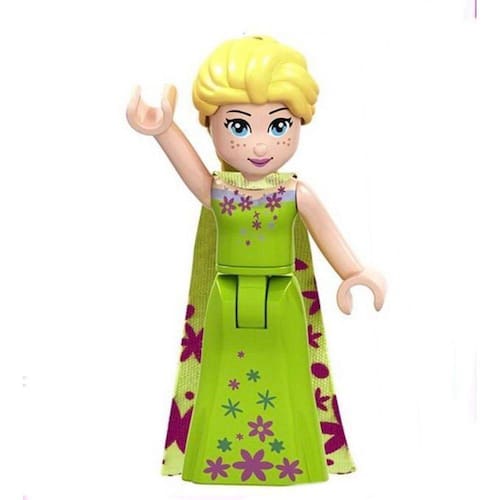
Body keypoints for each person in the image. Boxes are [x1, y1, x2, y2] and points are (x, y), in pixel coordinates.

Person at [127, 35, 385, 485]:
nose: (261, 145)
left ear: (299, 122)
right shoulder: (219, 192)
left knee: (290, 377)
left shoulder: (295, 194)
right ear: (211, 126)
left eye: (280, 125)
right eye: (240, 127)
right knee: (217, 375)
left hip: (283, 297)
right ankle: (215, 459)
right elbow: (192, 172)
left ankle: (295, 458)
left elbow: (326, 233)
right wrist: (163, 129)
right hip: (224, 299)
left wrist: (354, 273)